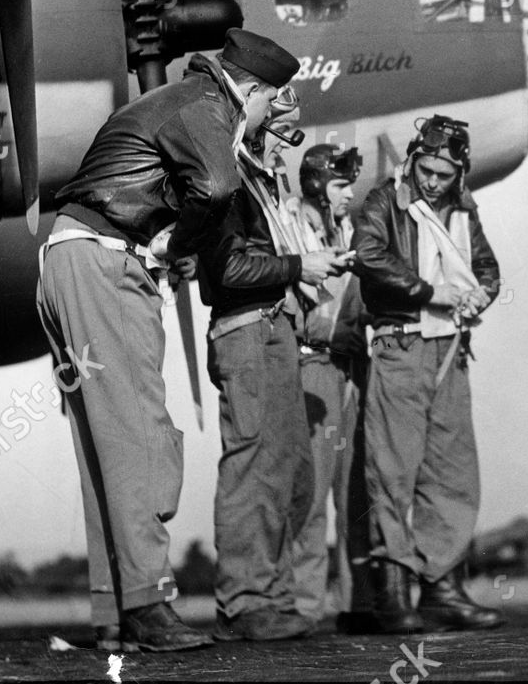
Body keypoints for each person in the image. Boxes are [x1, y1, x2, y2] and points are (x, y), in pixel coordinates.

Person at [36, 28, 297, 652]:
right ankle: (150, 608)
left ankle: (115, 612)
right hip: (107, 266)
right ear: (253, 89)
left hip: (67, 259)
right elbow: (215, 188)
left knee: (103, 442)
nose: (264, 120)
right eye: (268, 104)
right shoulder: (208, 106)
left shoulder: (173, 103)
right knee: (140, 436)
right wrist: (176, 245)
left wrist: (167, 243)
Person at [196, 84, 350, 641]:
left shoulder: (262, 178)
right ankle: (242, 602)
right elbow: (230, 269)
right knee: (254, 465)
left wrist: (300, 268)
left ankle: (272, 595)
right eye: (279, 125)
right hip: (248, 329)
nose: (286, 143)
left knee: (290, 468)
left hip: (276, 326)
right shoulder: (225, 174)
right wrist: (295, 267)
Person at [352, 115, 505, 632]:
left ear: (459, 172)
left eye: (444, 173)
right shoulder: (381, 201)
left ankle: (443, 586)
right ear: (413, 159)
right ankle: (394, 591)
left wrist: (482, 291)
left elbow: (487, 266)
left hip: (451, 351)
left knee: (453, 470)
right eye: (426, 169)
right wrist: (431, 292)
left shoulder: (464, 210)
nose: (433, 181)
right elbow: (369, 257)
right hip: (400, 345)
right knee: (392, 469)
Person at [283, 144, 376, 630]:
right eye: (341, 185)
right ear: (318, 183)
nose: (349, 195)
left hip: (352, 367)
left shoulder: (351, 227)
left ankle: (359, 603)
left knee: (355, 488)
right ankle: (304, 605)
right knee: (313, 490)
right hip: (313, 364)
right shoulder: (288, 223)